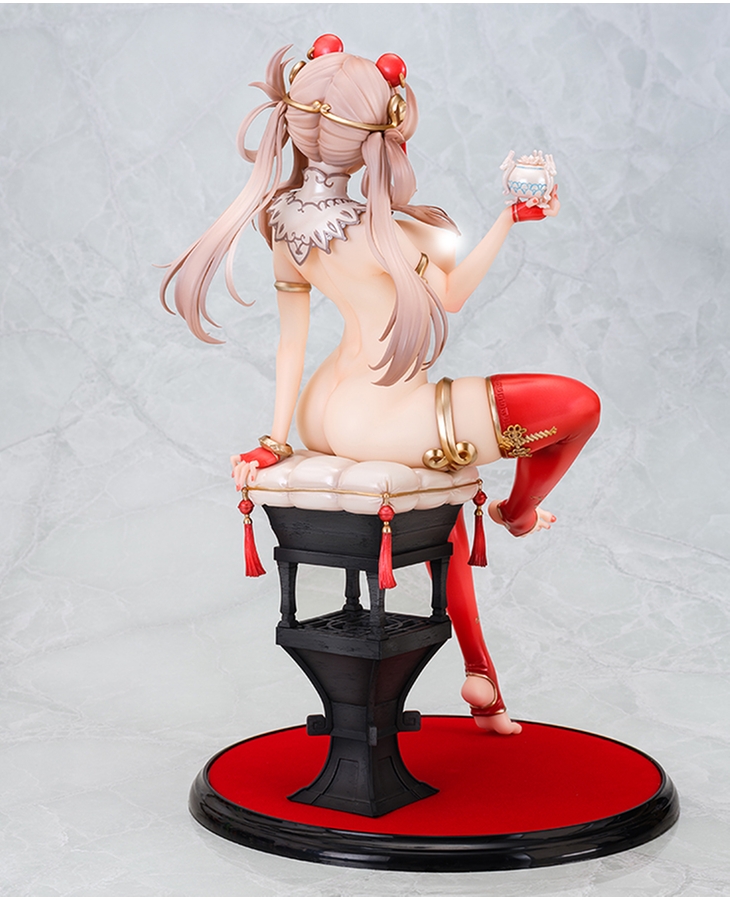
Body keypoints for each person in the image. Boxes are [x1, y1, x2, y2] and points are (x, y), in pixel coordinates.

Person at [160, 37, 600, 736]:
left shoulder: (281, 220)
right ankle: (518, 513)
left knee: (445, 510)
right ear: (380, 136)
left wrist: (277, 439)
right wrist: (506, 222)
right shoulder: (390, 235)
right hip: (386, 415)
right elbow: (452, 296)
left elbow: (291, 342)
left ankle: (482, 680)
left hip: (321, 411)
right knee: (576, 405)